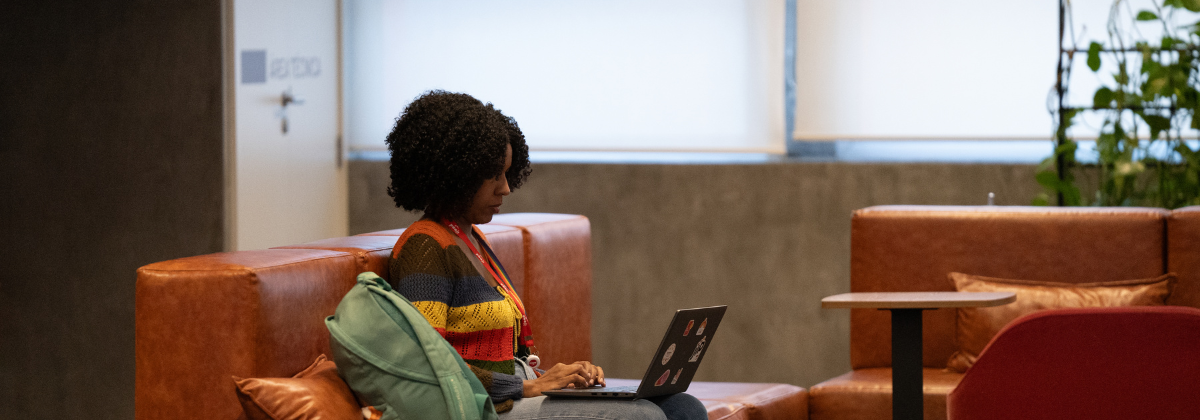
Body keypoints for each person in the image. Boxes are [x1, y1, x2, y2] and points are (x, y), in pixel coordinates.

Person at [384, 90, 707, 420]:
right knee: (644, 417)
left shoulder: (472, 239)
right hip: (484, 409)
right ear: (456, 173)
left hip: (517, 393)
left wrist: (559, 376)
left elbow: (506, 360)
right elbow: (427, 366)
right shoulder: (425, 247)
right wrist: (526, 387)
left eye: (507, 173)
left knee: (683, 407)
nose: (505, 188)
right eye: (494, 175)